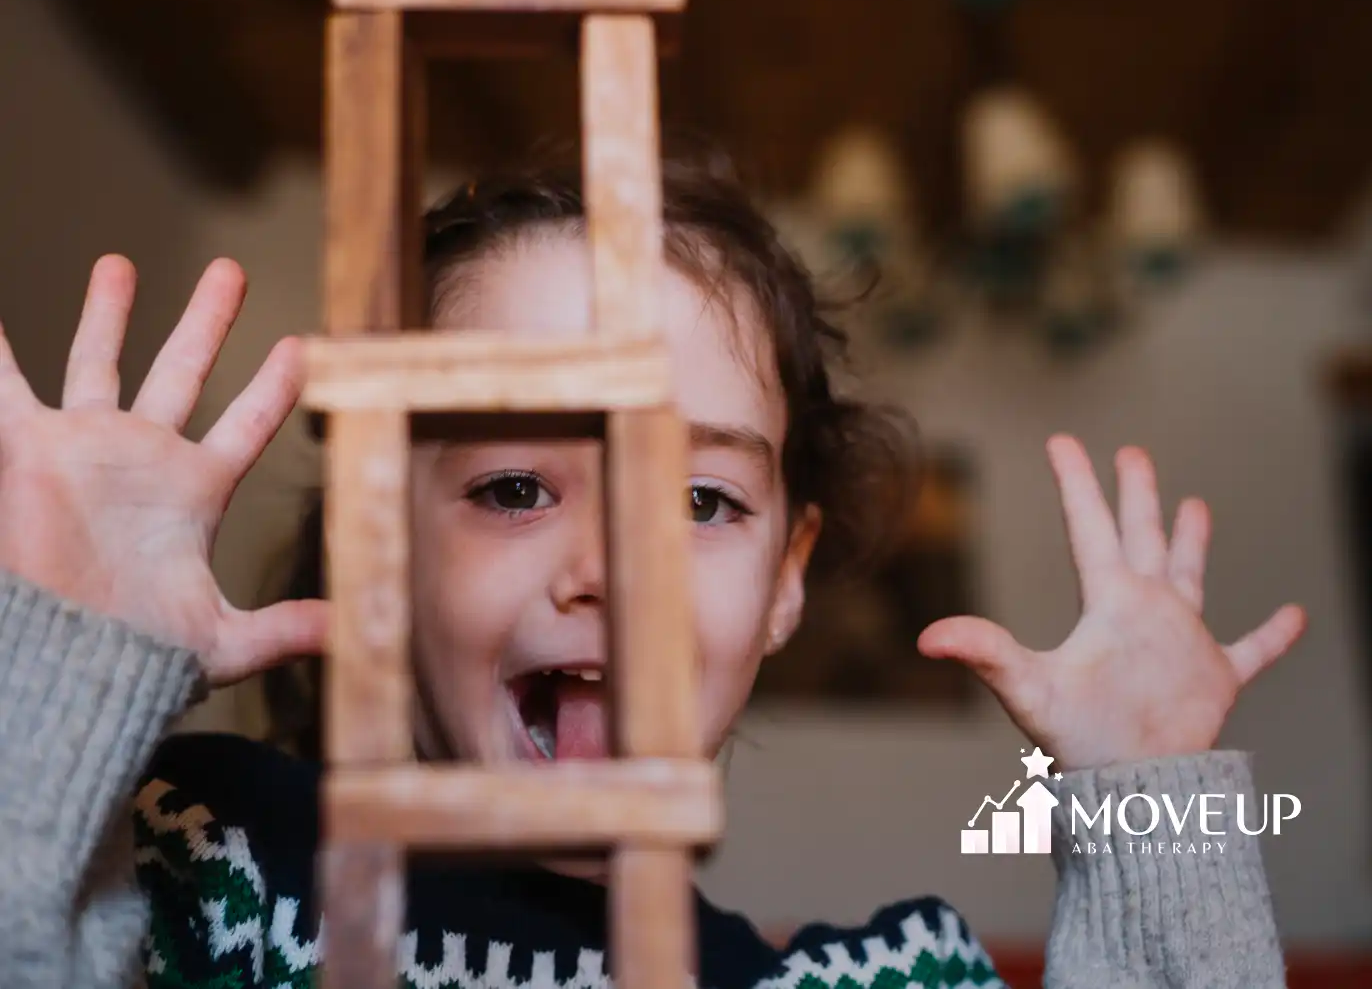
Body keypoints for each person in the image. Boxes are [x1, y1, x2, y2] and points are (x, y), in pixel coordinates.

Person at [0, 156, 1304, 988]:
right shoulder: (200, 868)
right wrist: (60, 671)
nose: (613, 570)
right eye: (515, 487)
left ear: (786, 582)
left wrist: (1152, 804)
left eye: (699, 500)